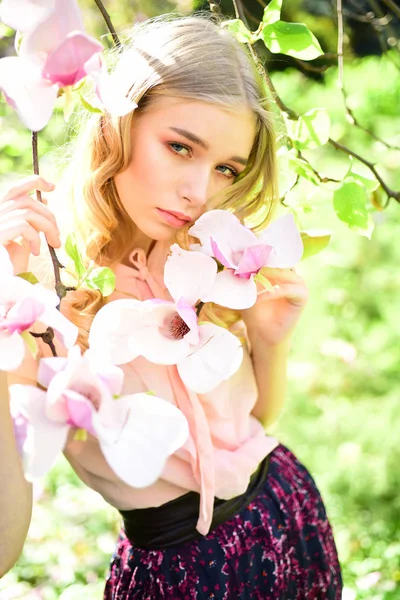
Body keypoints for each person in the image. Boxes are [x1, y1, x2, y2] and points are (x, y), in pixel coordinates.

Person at [0, 14, 342, 599]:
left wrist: (270, 342)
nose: (200, 190)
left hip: (288, 514)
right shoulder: (41, 291)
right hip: (184, 574)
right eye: (180, 146)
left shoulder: (204, 254)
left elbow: (257, 427)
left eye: (225, 168)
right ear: (118, 125)